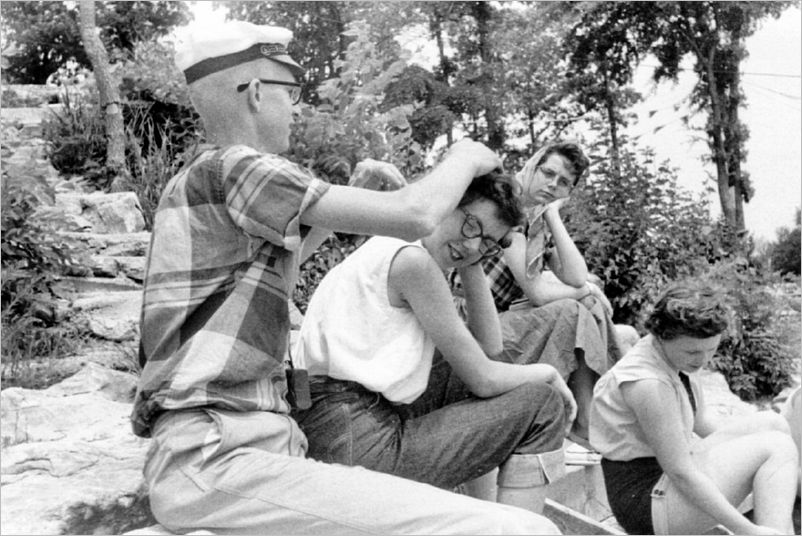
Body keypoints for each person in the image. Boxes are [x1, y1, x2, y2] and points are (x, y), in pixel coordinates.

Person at [131, 20, 562, 535]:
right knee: (522, 531)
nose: (297, 107)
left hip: (250, 448)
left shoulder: (201, 181)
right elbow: (417, 212)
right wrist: (464, 156)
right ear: (253, 93)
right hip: (217, 454)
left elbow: (265, 288)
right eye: (291, 93)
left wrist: (333, 206)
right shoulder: (239, 166)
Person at [293, 171, 577, 515]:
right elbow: (484, 378)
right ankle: (510, 529)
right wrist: (548, 372)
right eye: (471, 225)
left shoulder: (398, 245)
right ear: (446, 206)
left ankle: (481, 518)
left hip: (334, 424)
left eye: (487, 242)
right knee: (542, 405)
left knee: (459, 368)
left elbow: (489, 346)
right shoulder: (413, 263)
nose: (473, 244)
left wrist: (472, 258)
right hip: (353, 443)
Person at [449, 141, 635, 451]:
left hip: (496, 319)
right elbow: (536, 291)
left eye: (564, 182)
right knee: (574, 309)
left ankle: (591, 418)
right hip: (469, 321)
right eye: (548, 173)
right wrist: (586, 289)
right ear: (533, 165)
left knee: (585, 303)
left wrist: (554, 218)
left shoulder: (537, 218)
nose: (552, 184)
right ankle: (587, 422)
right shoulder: (509, 207)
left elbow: (574, 275)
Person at [589, 283, 799, 535]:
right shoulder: (648, 383)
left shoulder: (675, 359)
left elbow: (701, 423)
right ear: (662, 334)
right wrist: (745, 529)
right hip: (646, 501)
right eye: (693, 351)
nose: (703, 360)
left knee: (771, 424)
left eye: (711, 349)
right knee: (777, 447)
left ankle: (780, 530)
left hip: (668, 480)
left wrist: (748, 456)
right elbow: (681, 473)